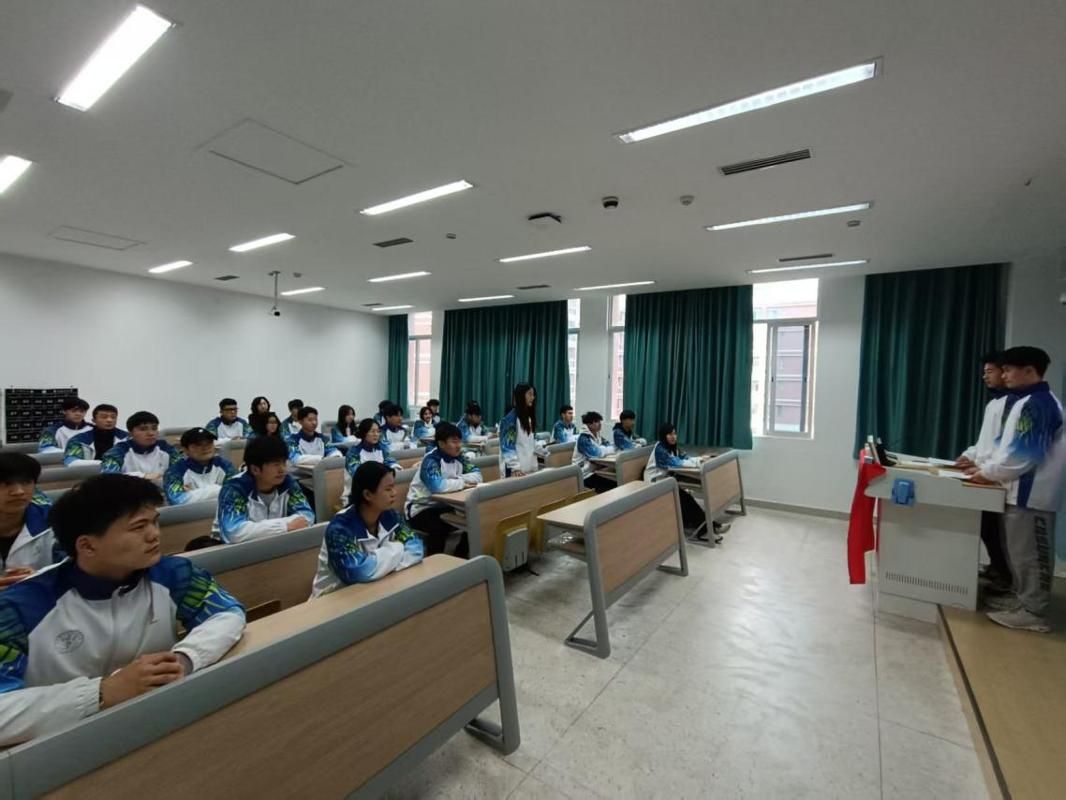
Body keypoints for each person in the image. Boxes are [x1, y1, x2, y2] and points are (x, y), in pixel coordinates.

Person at [0, 474, 245, 746]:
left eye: (154, 521)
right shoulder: (18, 607)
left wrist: (185, 658)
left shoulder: (173, 574)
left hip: (152, 727)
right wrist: (101, 693)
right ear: (87, 545)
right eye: (138, 527)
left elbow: (227, 613)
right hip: (62, 747)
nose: (154, 534)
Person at [966, 346, 1064, 633]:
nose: (1004, 375)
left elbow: (1024, 455)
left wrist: (988, 473)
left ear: (1030, 371)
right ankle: (1022, 600)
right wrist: (986, 468)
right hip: (1018, 490)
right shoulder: (1026, 402)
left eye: (1009, 370)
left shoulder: (1039, 404)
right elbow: (1004, 448)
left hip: (1032, 494)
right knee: (1019, 553)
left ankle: (1033, 612)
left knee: (1031, 555)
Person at [310, 462, 424, 597]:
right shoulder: (339, 529)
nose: (395, 493)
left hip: (376, 589)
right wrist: (397, 547)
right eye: (388, 489)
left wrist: (379, 569)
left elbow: (416, 549)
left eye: (394, 487)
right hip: (333, 598)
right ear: (368, 494)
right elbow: (358, 572)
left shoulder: (391, 515)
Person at [954, 352, 1011, 590]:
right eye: (984, 372)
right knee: (986, 527)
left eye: (990, 372)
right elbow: (984, 443)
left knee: (997, 532)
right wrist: (969, 455)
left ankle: (1005, 576)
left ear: (1004, 372)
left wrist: (984, 468)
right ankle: (997, 568)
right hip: (985, 474)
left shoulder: (1011, 405)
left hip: (996, 478)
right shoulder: (994, 403)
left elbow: (1004, 448)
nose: (985, 376)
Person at [214, 436, 315, 544]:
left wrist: (267, 530)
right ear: (255, 469)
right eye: (276, 464)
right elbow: (234, 532)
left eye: (284, 463)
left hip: (273, 545)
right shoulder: (234, 489)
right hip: (229, 549)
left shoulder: (288, 483)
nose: (282, 470)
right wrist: (285, 526)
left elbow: (307, 516)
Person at [405, 423, 483, 558]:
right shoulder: (431, 460)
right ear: (441, 443)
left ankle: (460, 555)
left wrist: (456, 481)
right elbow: (438, 486)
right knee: (438, 528)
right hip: (420, 508)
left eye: (459, 441)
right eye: (454, 442)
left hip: (444, 505)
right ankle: (435, 562)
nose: (458, 445)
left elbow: (478, 476)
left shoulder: (459, 457)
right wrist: (462, 483)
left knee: (474, 518)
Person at [645, 423, 730, 538]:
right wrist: (698, 461)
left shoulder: (672, 447)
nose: (673, 437)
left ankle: (710, 526)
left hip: (667, 481)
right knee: (685, 499)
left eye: (674, 434)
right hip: (655, 483)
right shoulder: (660, 449)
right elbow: (677, 463)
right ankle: (709, 528)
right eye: (670, 434)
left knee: (687, 498)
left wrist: (700, 459)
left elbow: (684, 458)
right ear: (663, 435)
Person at [0, 454, 63, 586]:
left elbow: (72, 569)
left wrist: (40, 577)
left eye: (26, 482)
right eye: (6, 484)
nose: (19, 491)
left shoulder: (55, 522)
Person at [163, 428, 238, 506]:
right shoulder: (175, 472)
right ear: (185, 450)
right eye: (198, 445)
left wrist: (192, 494)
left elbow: (237, 493)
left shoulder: (224, 465)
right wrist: (221, 490)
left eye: (209, 443)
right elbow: (177, 500)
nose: (205, 447)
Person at [100, 412, 179, 481]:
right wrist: (143, 476)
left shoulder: (167, 449)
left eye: (154, 428)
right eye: (143, 429)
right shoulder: (118, 451)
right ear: (130, 433)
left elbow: (182, 473)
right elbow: (109, 478)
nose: (151, 433)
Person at [341, 419, 400, 505]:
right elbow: (359, 476)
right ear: (364, 433)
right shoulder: (353, 453)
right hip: (356, 496)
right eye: (372, 431)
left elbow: (391, 463)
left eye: (378, 431)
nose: (376, 434)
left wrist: (395, 468)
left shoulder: (382, 448)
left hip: (378, 493)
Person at [499, 383, 547, 477]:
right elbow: (507, 447)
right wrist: (515, 467)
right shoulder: (510, 419)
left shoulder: (528, 418)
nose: (533, 397)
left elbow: (530, 443)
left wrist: (545, 451)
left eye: (533, 395)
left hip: (528, 467)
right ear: (521, 396)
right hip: (515, 470)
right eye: (530, 394)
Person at [63, 404, 127, 466]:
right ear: (94, 420)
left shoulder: (126, 438)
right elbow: (71, 461)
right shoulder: (79, 440)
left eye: (113, 417)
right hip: (89, 472)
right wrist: (102, 464)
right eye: (104, 417)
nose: (109, 420)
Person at [573, 412, 617, 494]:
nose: (600, 424)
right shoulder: (583, 438)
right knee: (612, 487)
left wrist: (607, 449)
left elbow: (608, 445)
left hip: (595, 471)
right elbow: (597, 453)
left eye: (600, 421)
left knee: (616, 482)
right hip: (584, 475)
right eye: (597, 422)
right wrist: (606, 449)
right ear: (589, 424)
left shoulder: (596, 434)